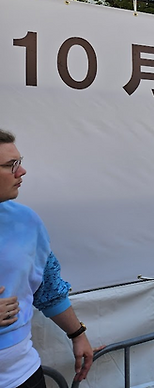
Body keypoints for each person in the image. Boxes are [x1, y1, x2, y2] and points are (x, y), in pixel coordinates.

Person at [0, 129, 93, 387]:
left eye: (19, 162)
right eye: (11, 165)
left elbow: (47, 286)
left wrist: (77, 334)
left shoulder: (26, 220)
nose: (22, 172)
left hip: (23, 374)